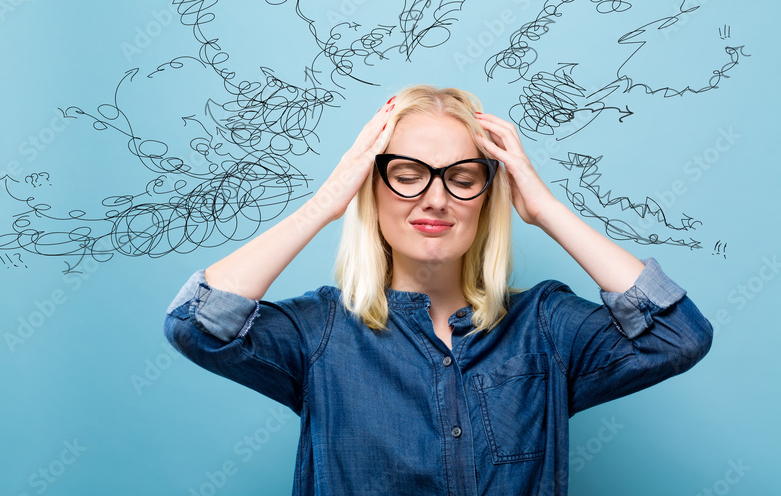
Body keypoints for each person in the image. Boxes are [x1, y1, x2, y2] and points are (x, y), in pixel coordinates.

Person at [163, 85, 713, 495]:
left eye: (463, 177)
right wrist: (326, 202)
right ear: (370, 188)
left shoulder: (545, 324)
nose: (435, 199)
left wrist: (545, 209)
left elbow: (677, 337)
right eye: (406, 174)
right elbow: (198, 322)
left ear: (486, 194)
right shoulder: (321, 333)